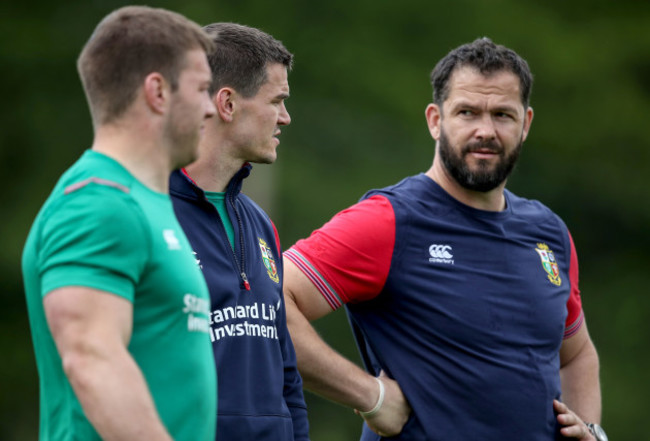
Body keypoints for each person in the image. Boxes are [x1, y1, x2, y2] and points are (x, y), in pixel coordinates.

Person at [283, 37, 606, 441]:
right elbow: (270, 298)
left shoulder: (548, 233)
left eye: (503, 115)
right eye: (467, 112)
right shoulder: (387, 220)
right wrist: (370, 395)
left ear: (525, 124)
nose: (485, 131)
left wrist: (592, 430)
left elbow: (575, 354)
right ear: (435, 120)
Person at [21, 6, 217, 441]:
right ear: (158, 91)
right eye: (203, 89)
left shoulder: (144, 202)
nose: (210, 108)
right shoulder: (98, 203)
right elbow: (91, 358)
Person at [169, 23, 309, 440]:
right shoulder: (148, 217)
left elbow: (286, 376)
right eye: (277, 101)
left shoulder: (259, 222)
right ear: (227, 103)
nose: (286, 117)